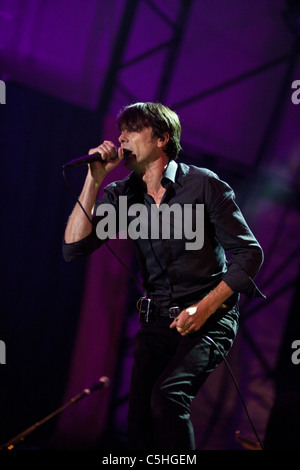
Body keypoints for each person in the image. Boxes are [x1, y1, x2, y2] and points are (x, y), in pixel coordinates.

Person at [62, 102, 264, 451]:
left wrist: (204, 307)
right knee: (139, 418)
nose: (120, 138)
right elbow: (74, 248)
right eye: (120, 131)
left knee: (168, 397)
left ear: (161, 138)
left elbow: (250, 254)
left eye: (132, 130)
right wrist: (94, 179)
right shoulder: (124, 195)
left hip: (211, 317)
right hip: (156, 321)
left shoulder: (203, 185)